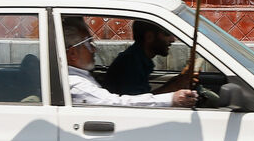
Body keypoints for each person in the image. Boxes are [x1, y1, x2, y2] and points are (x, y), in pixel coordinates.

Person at [64, 17, 196, 108]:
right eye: (89, 44)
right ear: (72, 54)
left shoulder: (139, 60)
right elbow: (129, 105)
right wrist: (172, 96)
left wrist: (177, 83)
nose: (94, 49)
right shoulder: (77, 85)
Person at [103, 18, 197, 96]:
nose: (172, 40)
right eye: (167, 34)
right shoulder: (131, 65)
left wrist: (176, 82)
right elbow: (138, 105)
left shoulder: (138, 59)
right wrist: (174, 87)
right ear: (149, 37)